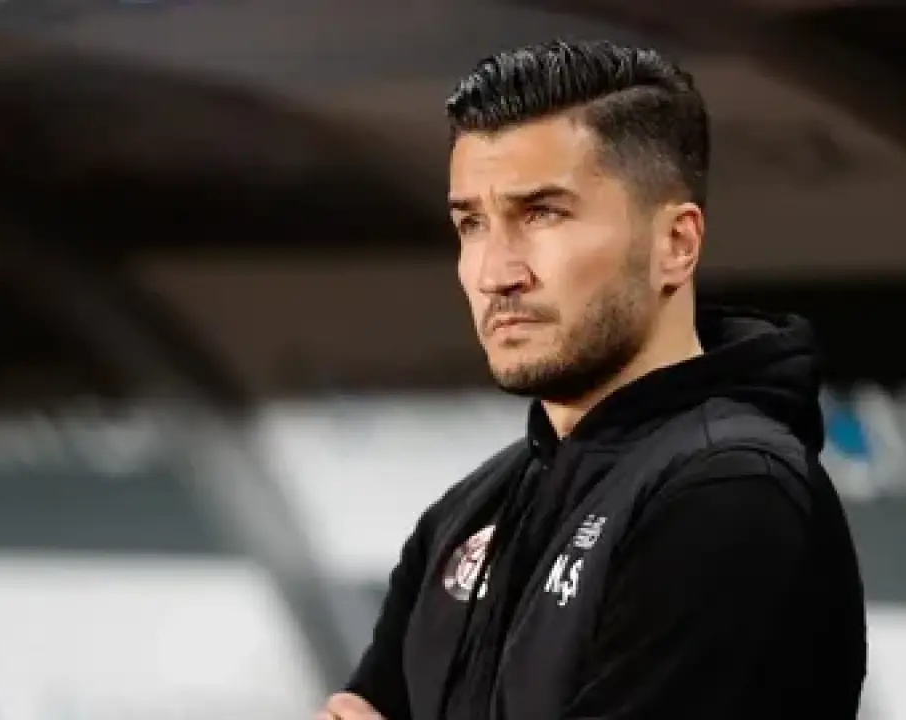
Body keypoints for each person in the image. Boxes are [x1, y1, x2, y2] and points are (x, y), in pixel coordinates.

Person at [318, 39, 866, 720]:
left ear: (676, 244)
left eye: (542, 213)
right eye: (472, 224)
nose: (496, 272)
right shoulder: (466, 514)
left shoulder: (731, 493)